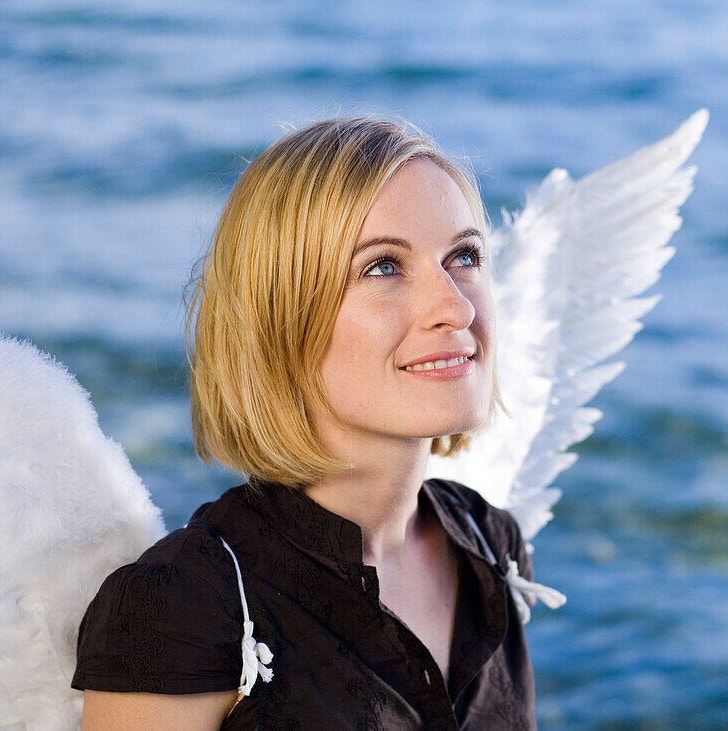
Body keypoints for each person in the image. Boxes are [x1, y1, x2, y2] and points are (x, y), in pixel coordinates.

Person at [70, 116, 538, 729]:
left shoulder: (487, 541)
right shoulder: (184, 605)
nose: (455, 305)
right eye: (382, 267)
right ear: (281, 320)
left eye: (465, 255)